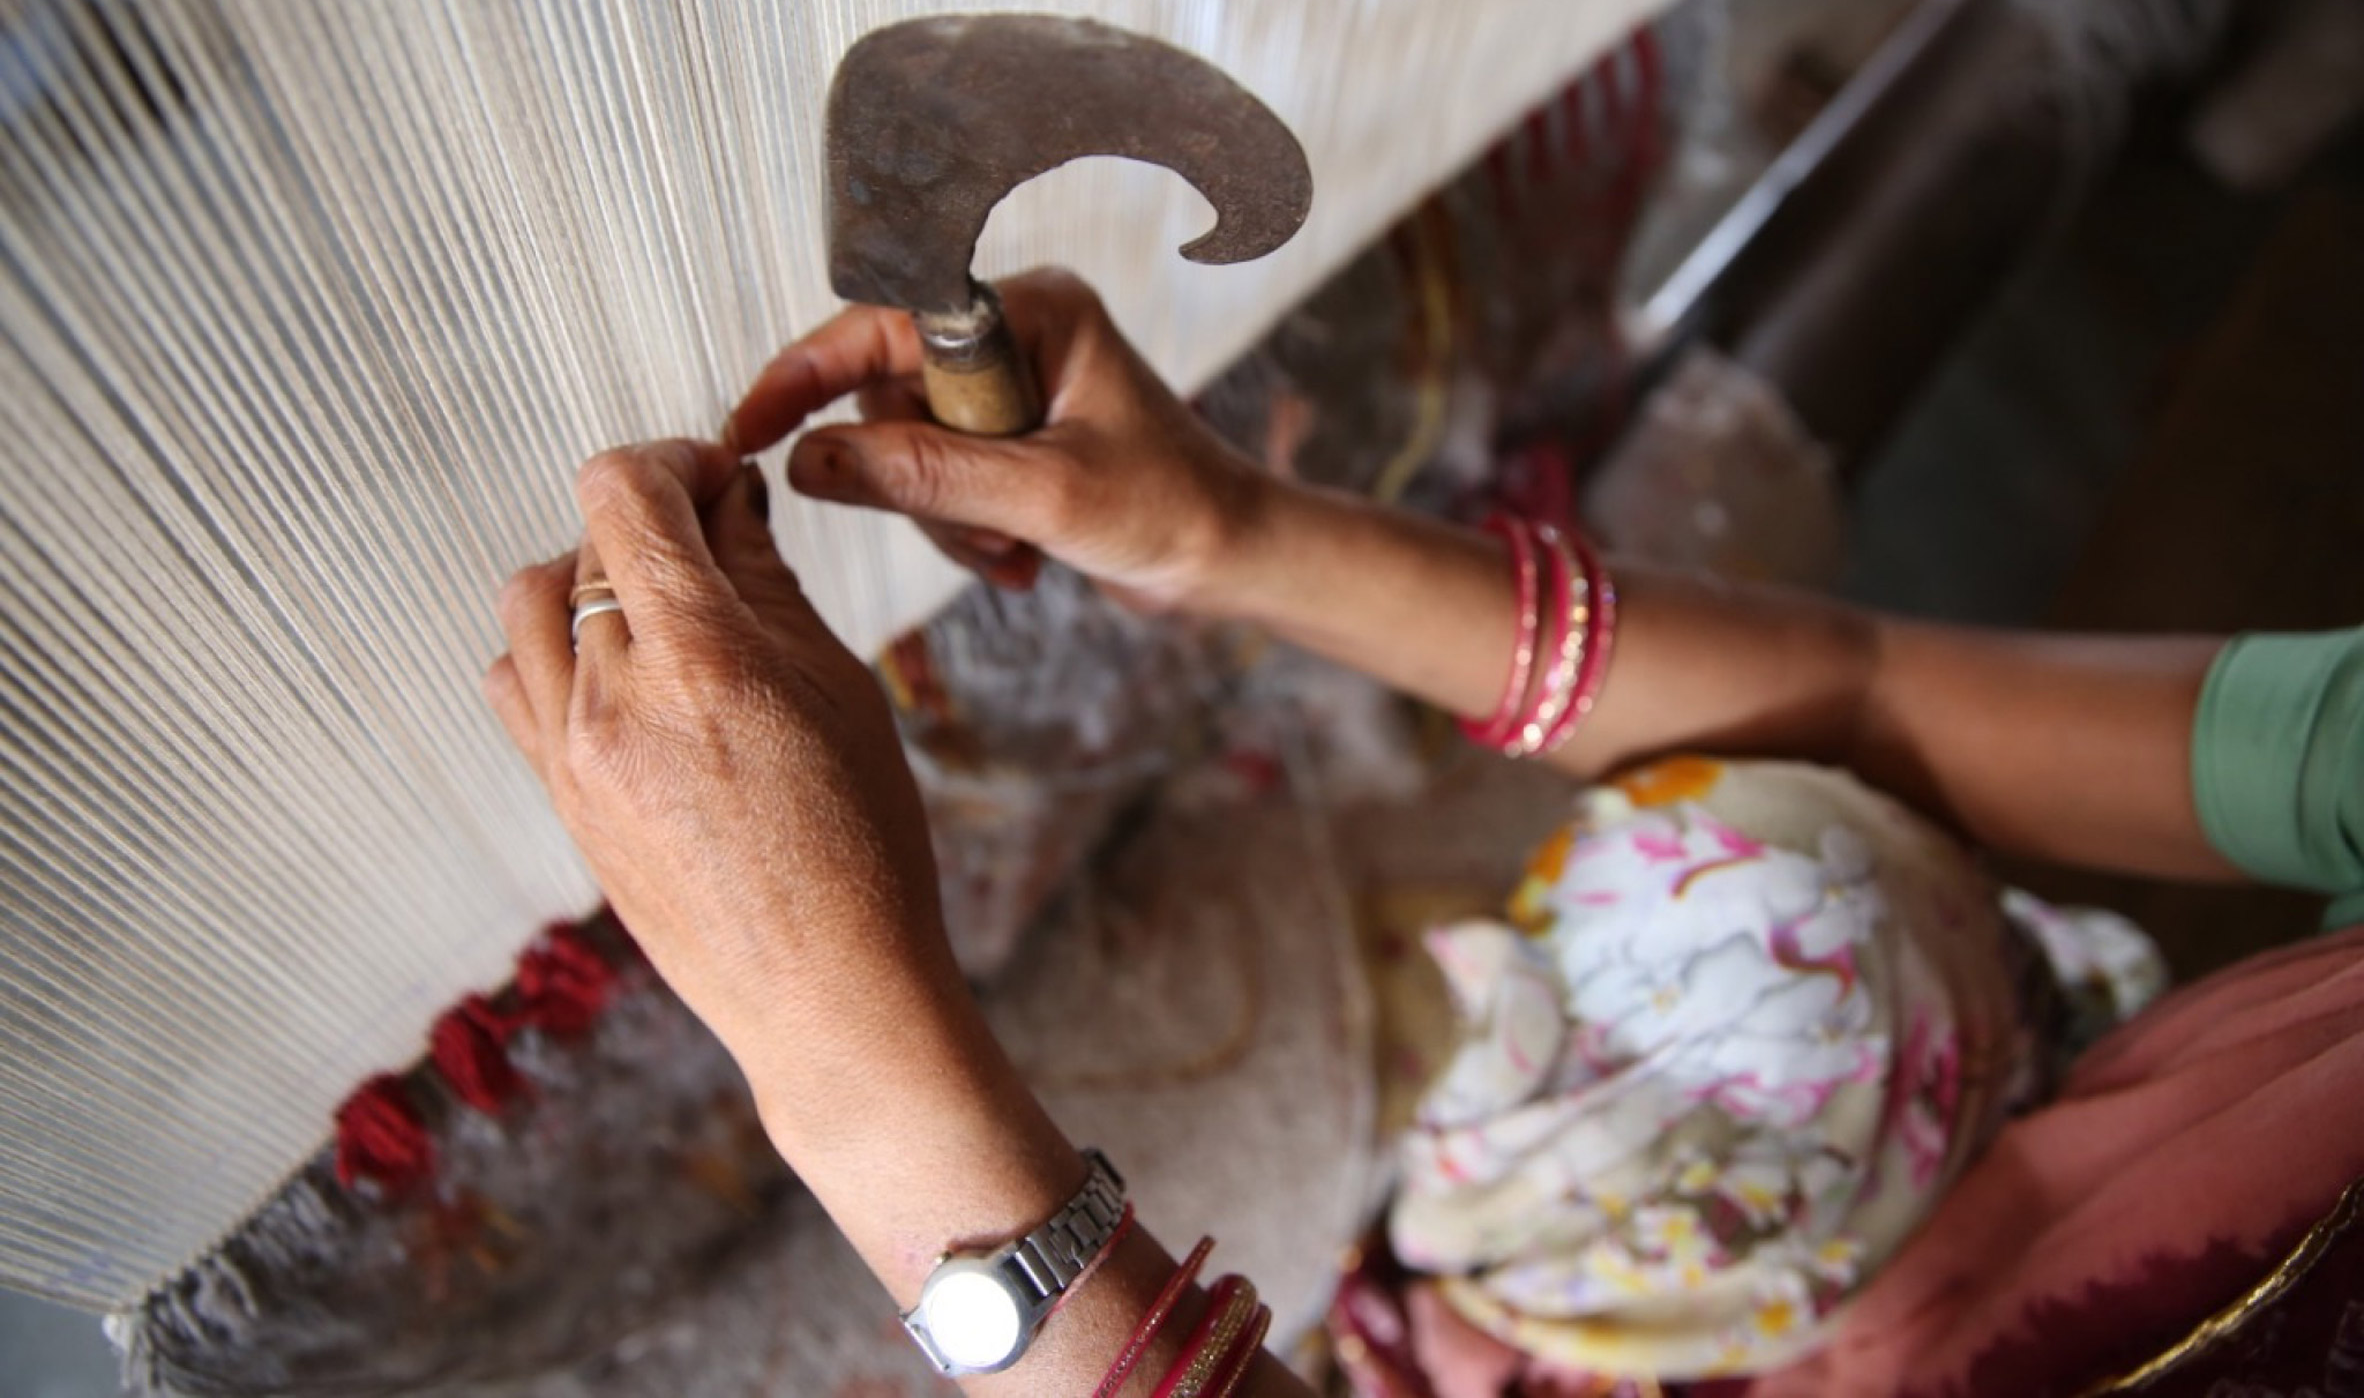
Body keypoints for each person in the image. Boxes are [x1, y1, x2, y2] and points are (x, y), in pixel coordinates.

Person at [486, 269, 2364, 1397]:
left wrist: (852, 1065)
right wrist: (1234, 537)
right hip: (1882, 1184)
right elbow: (1871, 699)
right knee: (1788, 924)